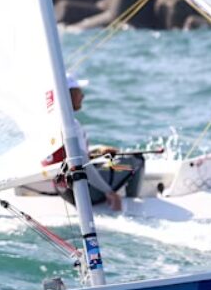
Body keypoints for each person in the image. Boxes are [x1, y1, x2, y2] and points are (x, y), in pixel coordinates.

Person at [53, 74, 144, 211]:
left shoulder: (53, 123)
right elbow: (84, 166)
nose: (82, 96)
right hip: (86, 194)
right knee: (137, 159)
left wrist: (97, 149)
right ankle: (132, 203)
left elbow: (69, 154)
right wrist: (110, 193)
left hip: (65, 192)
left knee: (104, 161)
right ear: (67, 96)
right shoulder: (72, 126)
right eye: (78, 91)